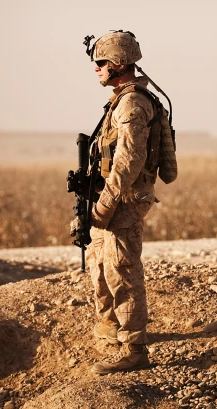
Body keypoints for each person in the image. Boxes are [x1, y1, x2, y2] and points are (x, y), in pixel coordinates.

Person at [82, 31, 161, 375]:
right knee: (99, 263)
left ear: (118, 64)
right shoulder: (119, 99)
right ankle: (111, 327)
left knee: (123, 272)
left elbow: (128, 161)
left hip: (123, 201)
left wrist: (105, 204)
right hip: (111, 198)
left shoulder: (131, 105)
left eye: (100, 62)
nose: (96, 69)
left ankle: (134, 348)